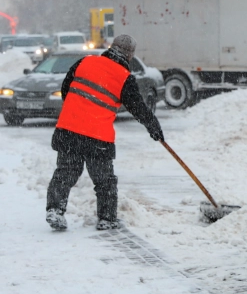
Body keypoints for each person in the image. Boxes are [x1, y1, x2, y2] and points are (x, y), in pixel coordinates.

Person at [45, 34, 162, 231]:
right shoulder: (124, 78)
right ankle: (107, 218)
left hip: (69, 129)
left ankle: (55, 210)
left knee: (65, 173)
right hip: (97, 137)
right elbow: (138, 108)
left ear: (111, 47)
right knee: (104, 180)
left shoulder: (85, 62)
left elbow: (66, 88)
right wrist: (154, 127)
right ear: (130, 55)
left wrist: (77, 110)